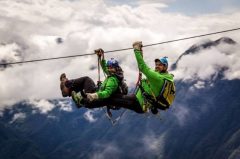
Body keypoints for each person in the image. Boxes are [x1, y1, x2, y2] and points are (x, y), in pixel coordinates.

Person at [60, 48, 127, 108]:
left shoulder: (113, 80)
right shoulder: (114, 75)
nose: (109, 69)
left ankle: (67, 84)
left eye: (111, 67)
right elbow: (104, 68)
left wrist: (94, 95)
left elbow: (107, 93)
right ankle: (70, 91)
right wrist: (101, 56)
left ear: (116, 68)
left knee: (86, 79)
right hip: (96, 93)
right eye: (109, 67)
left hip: (95, 96)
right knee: (83, 84)